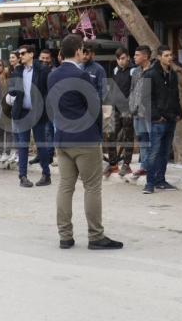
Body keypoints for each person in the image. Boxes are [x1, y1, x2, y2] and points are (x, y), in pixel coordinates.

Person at [49, 34, 123, 250]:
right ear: (78, 51)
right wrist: (99, 134)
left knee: (65, 186)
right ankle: (95, 235)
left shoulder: (52, 76)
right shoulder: (83, 76)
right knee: (92, 187)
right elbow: (95, 108)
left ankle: (65, 236)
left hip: (62, 137)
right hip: (84, 138)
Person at [8, 45, 52, 187]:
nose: (20, 56)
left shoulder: (43, 69)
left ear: (31, 54)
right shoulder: (18, 70)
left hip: (37, 112)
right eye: (19, 54)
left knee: (41, 144)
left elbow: (48, 90)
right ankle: (23, 177)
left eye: (23, 53)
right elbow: (12, 92)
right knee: (23, 145)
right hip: (22, 112)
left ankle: (46, 175)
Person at [142, 45, 182, 194]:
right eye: (166, 55)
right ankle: (149, 183)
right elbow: (146, 99)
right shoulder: (150, 74)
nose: (169, 58)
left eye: (171, 55)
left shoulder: (173, 74)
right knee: (154, 152)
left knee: (165, 153)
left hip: (171, 118)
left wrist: (178, 113)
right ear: (159, 57)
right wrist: (156, 116)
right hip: (158, 120)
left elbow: (176, 95)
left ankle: (161, 180)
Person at [104, 47, 136, 177]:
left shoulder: (133, 70)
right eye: (118, 59)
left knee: (128, 137)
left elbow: (135, 91)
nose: (121, 61)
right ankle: (113, 164)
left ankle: (126, 164)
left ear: (128, 57)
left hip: (127, 110)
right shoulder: (115, 70)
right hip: (115, 109)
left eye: (123, 58)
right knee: (110, 135)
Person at [128, 46, 153, 178]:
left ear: (145, 56)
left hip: (149, 113)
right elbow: (132, 90)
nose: (134, 57)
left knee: (153, 140)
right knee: (142, 140)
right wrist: (131, 106)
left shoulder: (154, 71)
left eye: (137, 55)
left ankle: (154, 167)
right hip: (136, 112)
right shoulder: (136, 71)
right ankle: (144, 167)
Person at [0, 58, 13, 165]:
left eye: (0, 65)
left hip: (6, 107)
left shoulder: (6, 78)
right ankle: (0, 152)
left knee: (8, 131)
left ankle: (7, 152)